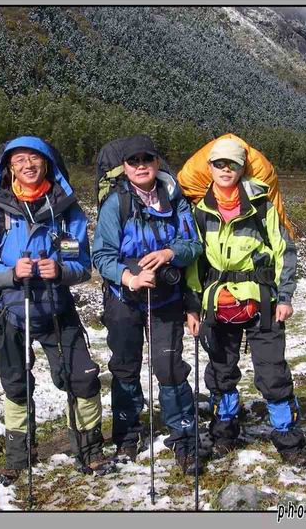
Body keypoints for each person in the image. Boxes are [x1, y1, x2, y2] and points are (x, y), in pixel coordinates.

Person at [0, 136, 113, 485]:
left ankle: (90, 450)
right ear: (8, 168)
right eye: (19, 160)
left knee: (83, 378)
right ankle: (18, 458)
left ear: (47, 164)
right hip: (11, 313)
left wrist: (60, 270)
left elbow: (82, 266)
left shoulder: (67, 211)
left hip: (58, 309)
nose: (27, 165)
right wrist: (10, 273)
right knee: (16, 385)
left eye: (34, 158)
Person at [184, 137, 306, 466]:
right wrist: (192, 307)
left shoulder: (262, 206)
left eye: (233, 164)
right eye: (219, 164)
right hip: (217, 303)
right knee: (220, 372)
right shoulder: (200, 212)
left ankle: (288, 439)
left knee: (272, 372)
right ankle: (224, 432)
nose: (226, 170)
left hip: (262, 302)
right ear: (210, 167)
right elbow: (195, 264)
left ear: (242, 168)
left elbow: (284, 251)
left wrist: (285, 297)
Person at [92, 135, 207, 475]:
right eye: (133, 161)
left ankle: (184, 438)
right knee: (125, 366)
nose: (141, 166)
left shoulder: (175, 199)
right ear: (124, 167)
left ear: (157, 162)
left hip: (166, 299)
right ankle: (127, 435)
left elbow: (193, 245)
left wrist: (170, 253)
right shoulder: (115, 204)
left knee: (169, 367)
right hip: (124, 298)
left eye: (147, 159)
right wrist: (129, 278)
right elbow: (102, 255)